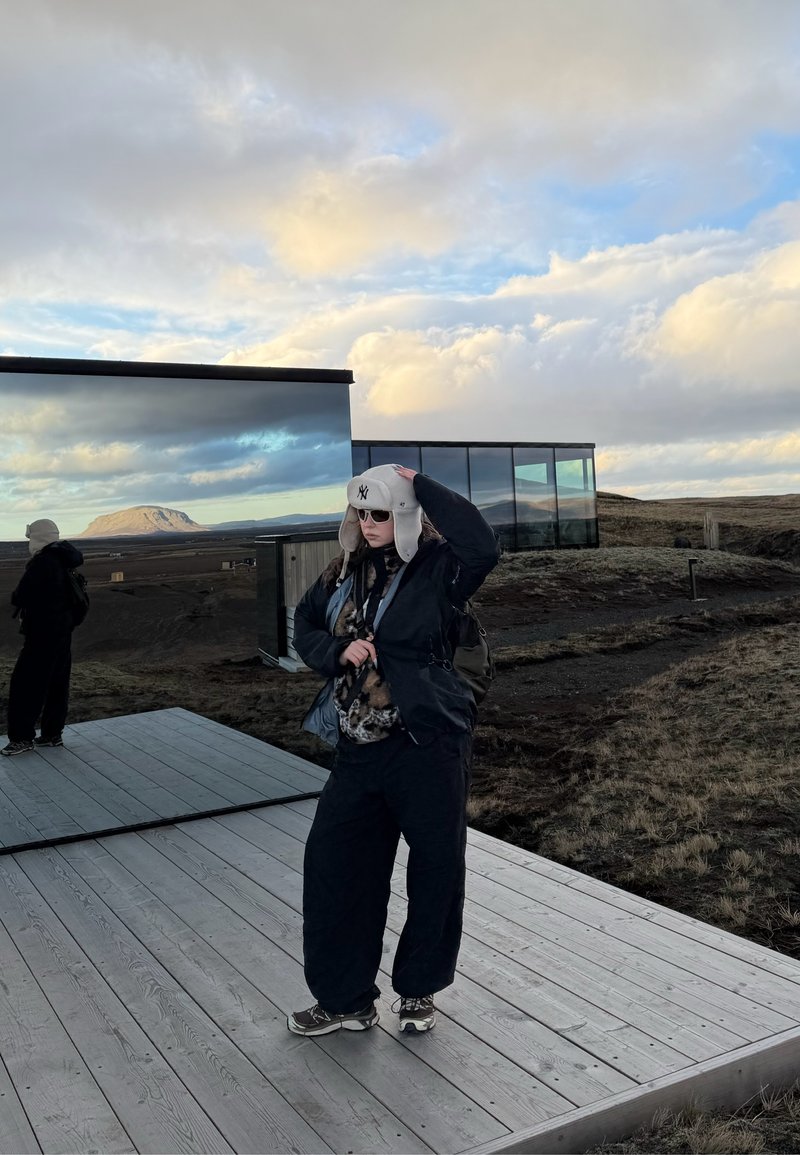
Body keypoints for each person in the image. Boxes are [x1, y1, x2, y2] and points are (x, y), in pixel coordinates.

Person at [287, 463, 499, 1036]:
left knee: (434, 871)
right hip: (358, 749)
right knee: (336, 870)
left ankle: (419, 990)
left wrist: (419, 482)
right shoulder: (342, 571)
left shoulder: (440, 569)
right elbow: (303, 624)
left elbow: (482, 543)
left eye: (381, 511)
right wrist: (335, 652)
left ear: (405, 514)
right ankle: (344, 999)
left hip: (426, 747)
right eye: (360, 511)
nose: (368, 522)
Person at [2, 519, 84, 756]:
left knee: (26, 685)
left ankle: (21, 738)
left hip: (41, 634)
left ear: (37, 537)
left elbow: (21, 596)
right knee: (58, 683)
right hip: (62, 632)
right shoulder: (64, 559)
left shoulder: (42, 563)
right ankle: (51, 734)